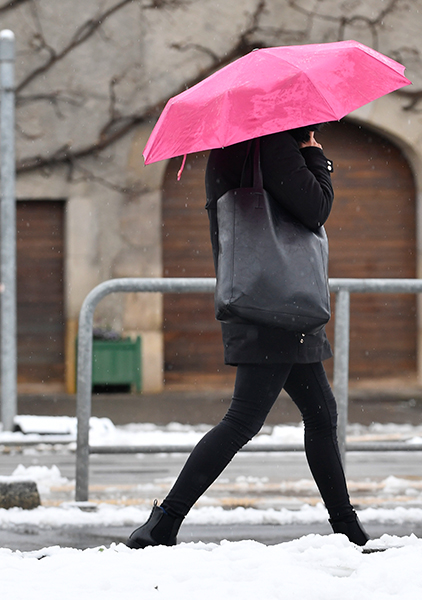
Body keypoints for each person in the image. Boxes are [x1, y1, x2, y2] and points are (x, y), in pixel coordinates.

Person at [125, 125, 369, 548]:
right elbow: (316, 208)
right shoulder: (273, 146)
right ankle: (163, 521)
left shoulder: (230, 148)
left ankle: (347, 528)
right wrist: (315, 157)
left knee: (320, 411)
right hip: (278, 303)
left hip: (265, 298)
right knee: (244, 420)